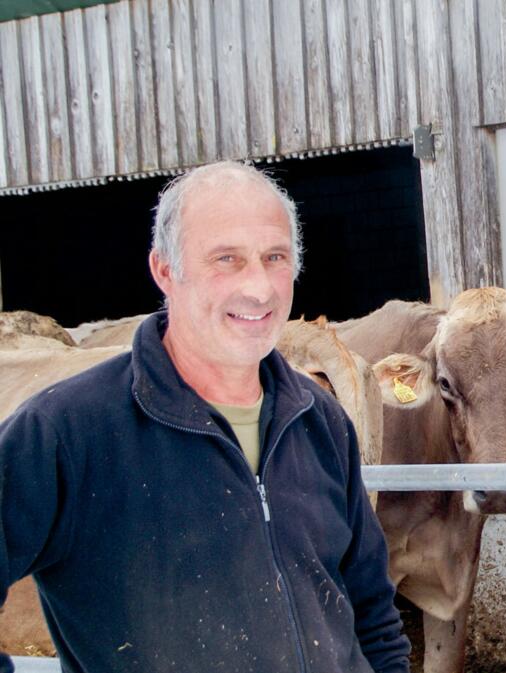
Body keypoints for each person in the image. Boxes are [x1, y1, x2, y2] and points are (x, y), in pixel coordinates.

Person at [0, 162, 411, 672]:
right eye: (227, 259)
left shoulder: (318, 419)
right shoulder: (65, 432)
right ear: (165, 271)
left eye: (274, 257)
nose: (259, 288)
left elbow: (371, 610)